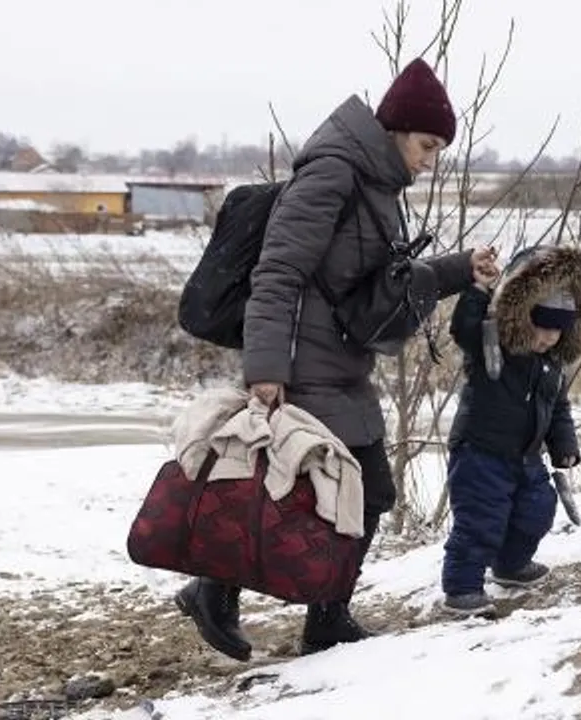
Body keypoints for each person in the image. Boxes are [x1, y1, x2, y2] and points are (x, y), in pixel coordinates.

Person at [176, 57, 502, 659]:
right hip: (301, 364)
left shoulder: (378, 188)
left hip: (343, 364)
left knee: (346, 493)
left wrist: (461, 269)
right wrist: (267, 369)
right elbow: (277, 272)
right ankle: (227, 594)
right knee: (333, 489)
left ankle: (314, 614)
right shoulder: (332, 174)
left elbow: (383, 282)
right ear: (396, 129)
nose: (431, 158)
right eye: (427, 144)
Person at [439, 244, 581, 617]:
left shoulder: (552, 365)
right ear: (523, 316)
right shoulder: (494, 344)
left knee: (538, 511)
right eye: (541, 327)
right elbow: (464, 328)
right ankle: (462, 589)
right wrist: (478, 291)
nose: (546, 338)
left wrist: (564, 444)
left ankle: (510, 566)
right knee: (480, 521)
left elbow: (557, 407)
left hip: (526, 457)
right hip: (481, 452)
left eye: (556, 333)